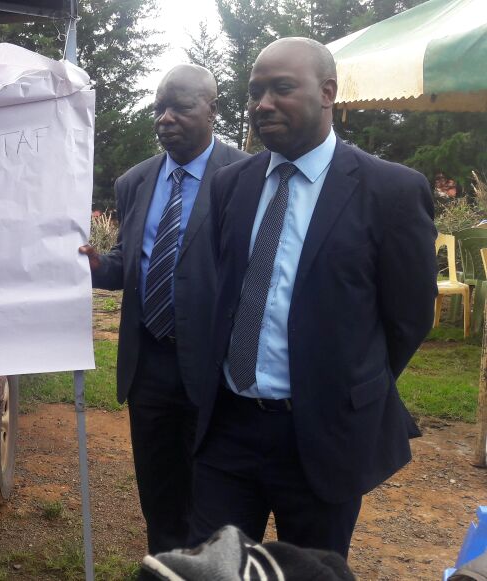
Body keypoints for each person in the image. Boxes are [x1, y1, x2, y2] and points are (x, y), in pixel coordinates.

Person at [190, 37, 437, 557]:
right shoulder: (231, 184)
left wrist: (346, 385)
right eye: (255, 91)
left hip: (323, 435)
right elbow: (227, 293)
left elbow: (409, 317)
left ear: (327, 93)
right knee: (216, 567)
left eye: (281, 88)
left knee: (312, 569)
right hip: (229, 428)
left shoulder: (390, 191)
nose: (262, 104)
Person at [79, 64, 248, 554]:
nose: (166, 118)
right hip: (149, 363)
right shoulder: (135, 181)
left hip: (215, 367)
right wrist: (99, 266)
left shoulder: (245, 177)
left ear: (212, 110)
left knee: (213, 495)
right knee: (158, 491)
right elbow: (130, 262)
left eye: (181, 107)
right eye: (159, 108)